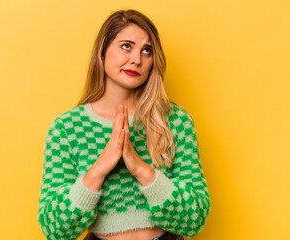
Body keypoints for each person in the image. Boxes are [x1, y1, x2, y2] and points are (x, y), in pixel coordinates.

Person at [37, 9, 211, 240]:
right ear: (102, 52)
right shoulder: (67, 128)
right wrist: (99, 168)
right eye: (126, 46)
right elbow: (55, 229)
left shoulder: (175, 121)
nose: (136, 59)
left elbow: (195, 218)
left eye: (146, 51)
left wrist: (141, 169)